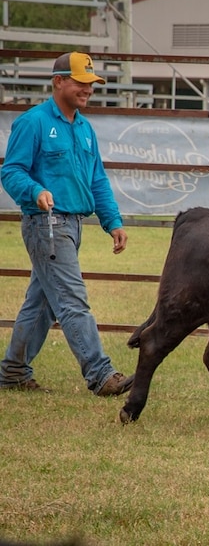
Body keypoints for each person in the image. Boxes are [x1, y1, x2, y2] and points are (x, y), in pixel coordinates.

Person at [0, 51, 134, 396]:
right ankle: (101, 374)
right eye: (81, 82)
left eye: (91, 84)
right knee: (72, 300)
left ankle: (13, 370)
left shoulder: (84, 128)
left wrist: (112, 221)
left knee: (43, 301)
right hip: (47, 224)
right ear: (59, 81)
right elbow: (11, 170)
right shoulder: (33, 122)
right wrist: (35, 190)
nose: (88, 89)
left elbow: (98, 180)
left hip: (72, 225)